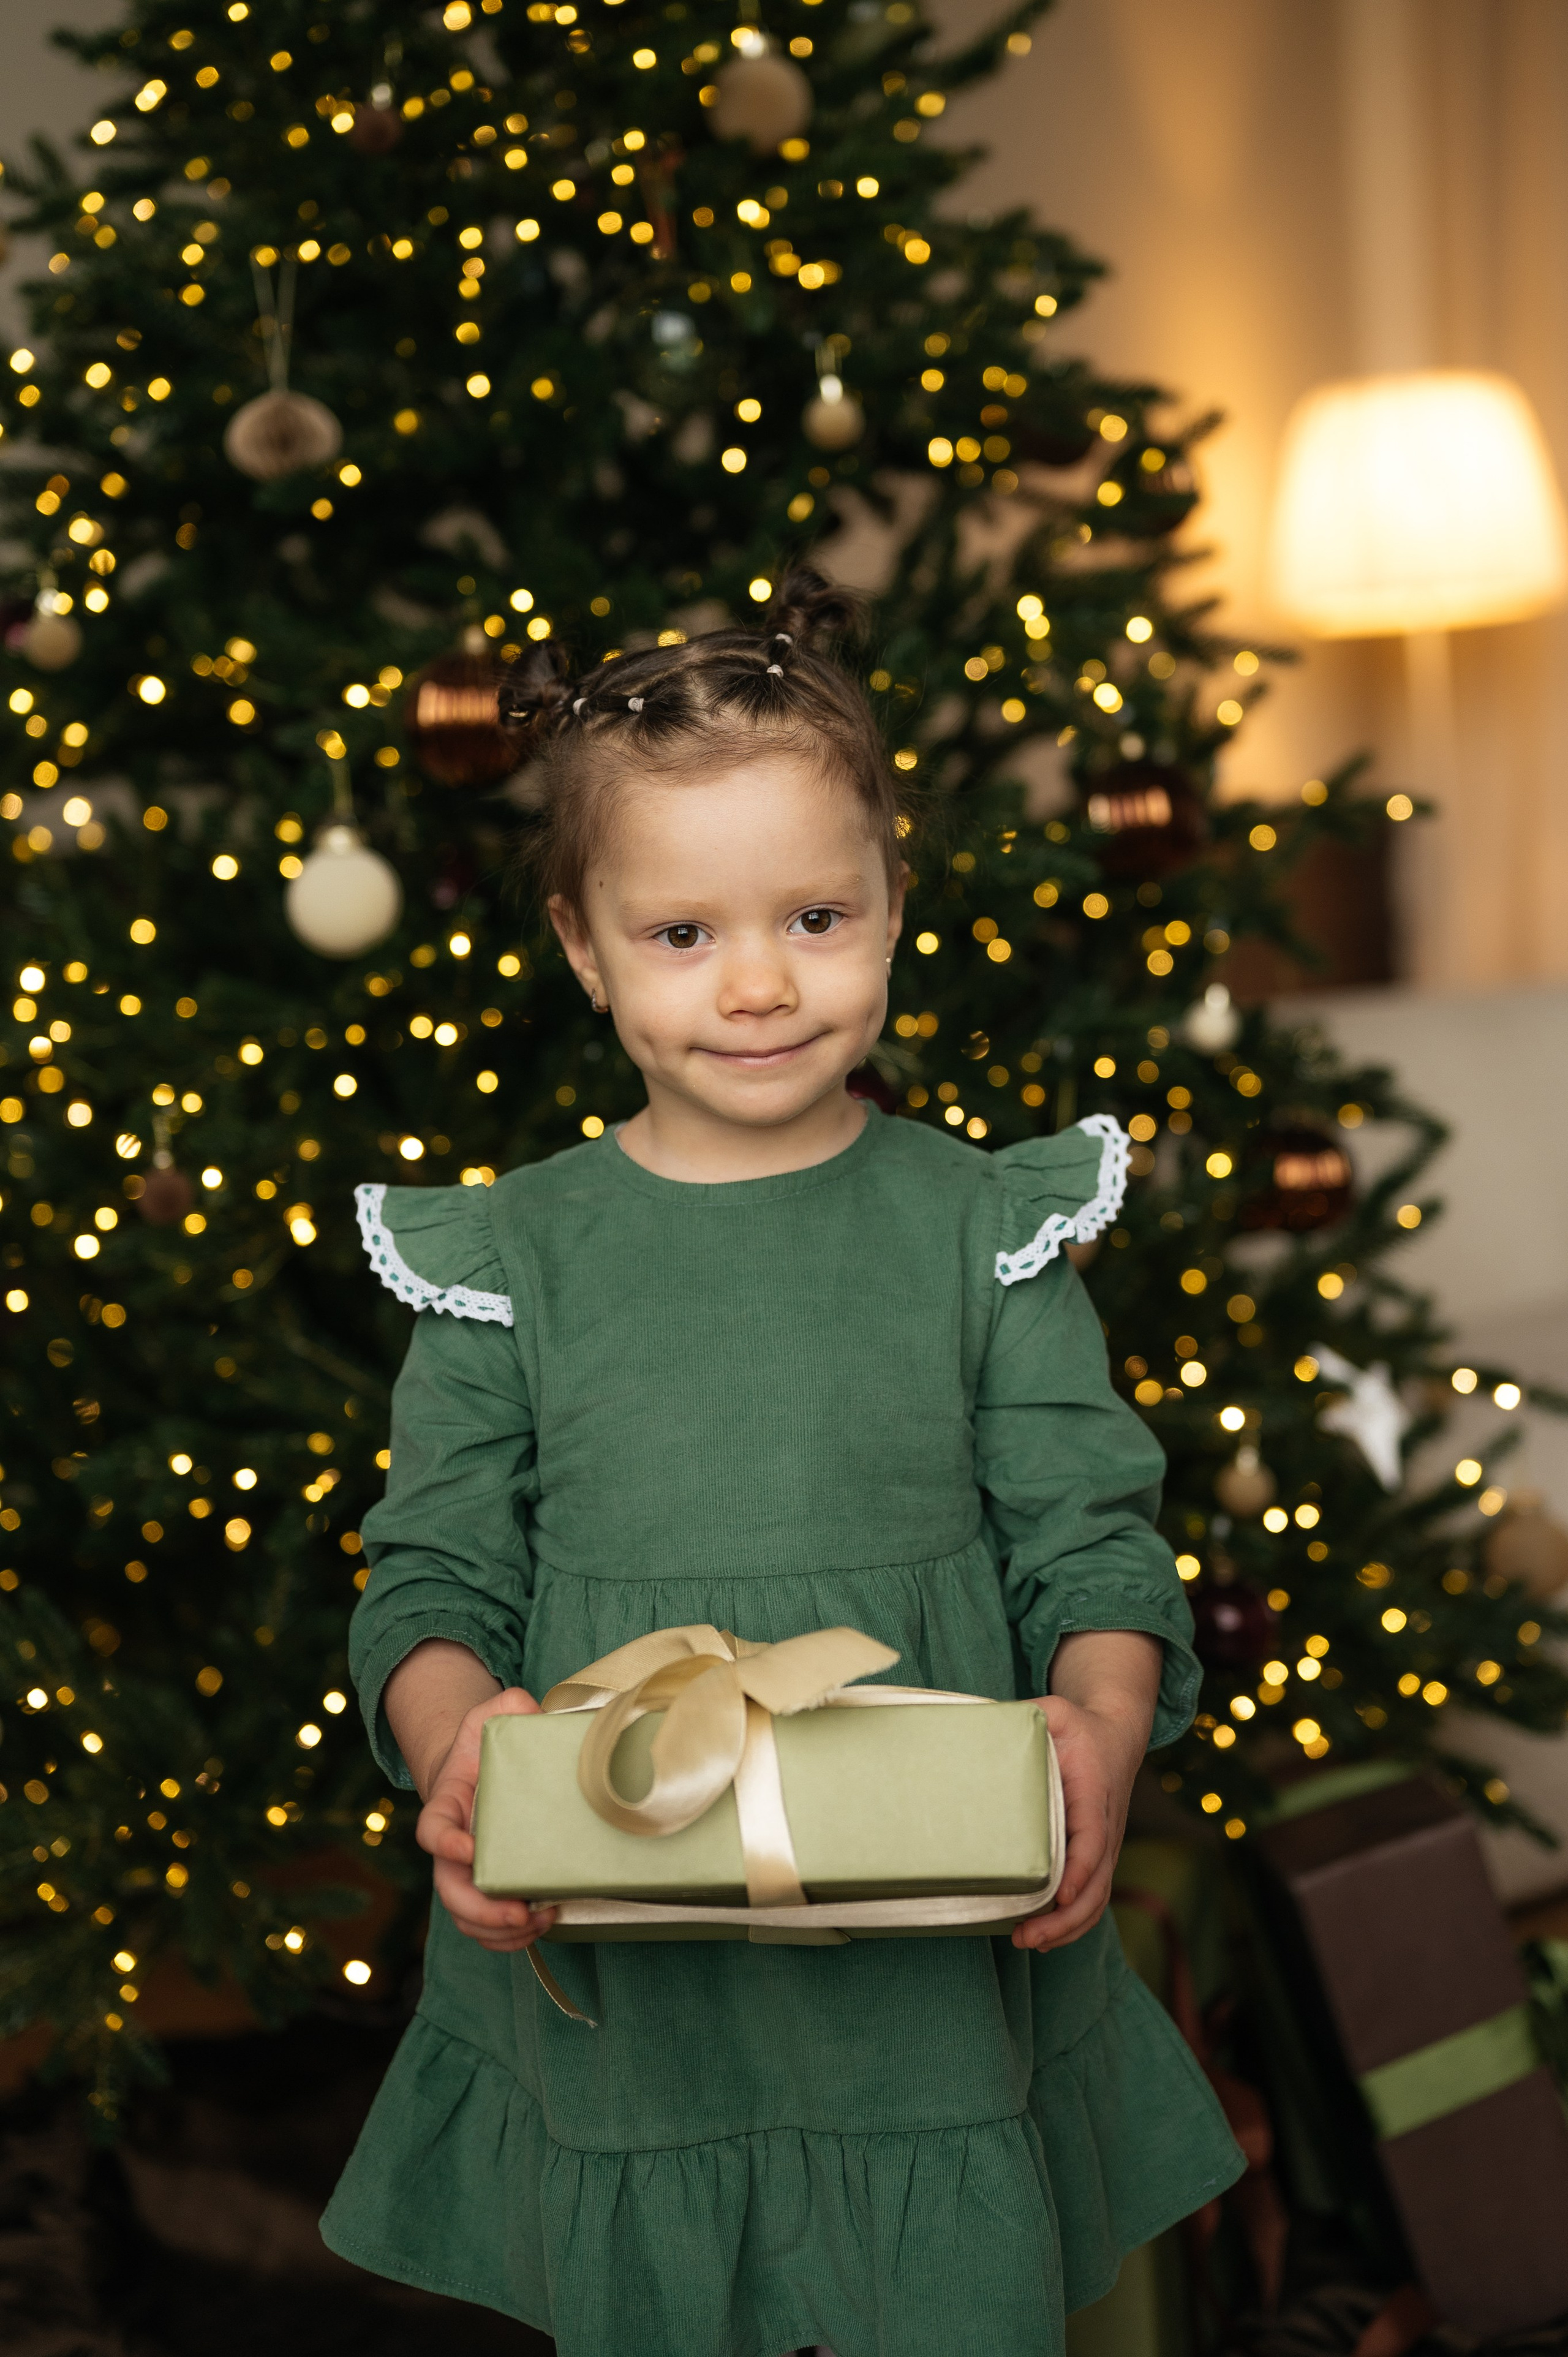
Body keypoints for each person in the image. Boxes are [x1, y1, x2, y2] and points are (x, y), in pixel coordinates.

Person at [320, 576, 1243, 2356]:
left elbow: (1093, 1546)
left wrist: (1105, 1729)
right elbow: (428, 1582)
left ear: (895, 906)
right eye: (681, 935)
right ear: (584, 946)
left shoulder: (985, 1229)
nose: (758, 984)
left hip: (933, 1977)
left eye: (817, 914)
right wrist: (459, 1755)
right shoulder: (510, 1258)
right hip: (627, 1979)